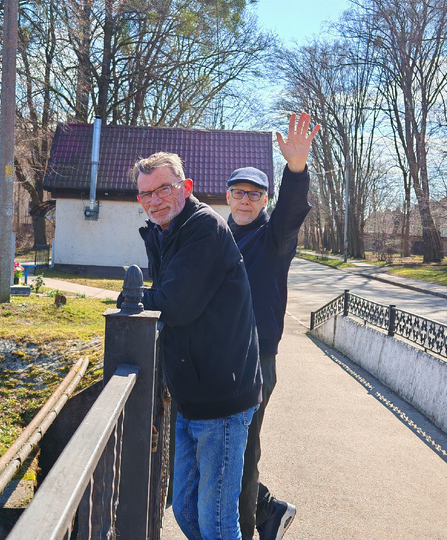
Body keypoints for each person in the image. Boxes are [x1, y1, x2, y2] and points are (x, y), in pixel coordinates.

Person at [132, 151, 263, 540]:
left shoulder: (202, 227)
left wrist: (135, 299)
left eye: (163, 189)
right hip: (192, 393)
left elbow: (176, 304)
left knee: (217, 523)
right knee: (187, 512)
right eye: (144, 194)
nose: (154, 200)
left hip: (222, 396)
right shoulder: (166, 232)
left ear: (186, 188)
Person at [229, 113, 319, 540]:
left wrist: (295, 170)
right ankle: (269, 507)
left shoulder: (273, 239)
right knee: (224, 449)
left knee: (243, 452)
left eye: (255, 194)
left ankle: (249, 529)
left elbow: (290, 214)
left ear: (265, 199)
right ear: (228, 196)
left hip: (258, 361)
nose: (246, 200)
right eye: (238, 192)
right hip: (218, 356)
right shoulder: (217, 236)